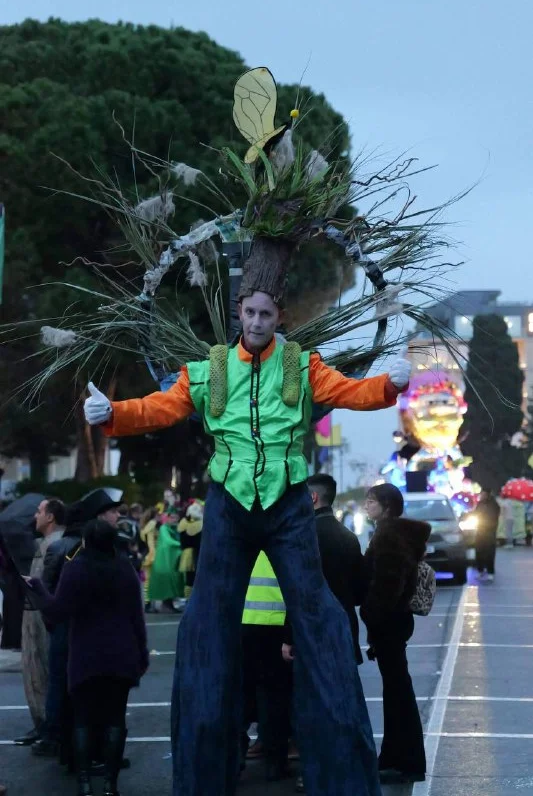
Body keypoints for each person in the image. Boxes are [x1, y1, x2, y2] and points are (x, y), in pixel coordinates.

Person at [84, 283, 410, 795]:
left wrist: (388, 386)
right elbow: (162, 407)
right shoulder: (209, 370)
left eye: (266, 313)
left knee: (320, 616)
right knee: (207, 622)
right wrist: (115, 414)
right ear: (239, 313)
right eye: (250, 312)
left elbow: (349, 391)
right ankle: (203, 775)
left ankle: (341, 773)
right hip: (229, 503)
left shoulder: (302, 366)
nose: (257, 322)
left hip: (287, 501)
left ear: (280, 317)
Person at [27, 519, 149, 796]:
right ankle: (110, 785)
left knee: (83, 720)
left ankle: (84, 784)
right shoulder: (124, 569)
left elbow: (57, 611)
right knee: (116, 720)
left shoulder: (76, 569)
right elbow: (137, 617)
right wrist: (141, 655)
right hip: (121, 652)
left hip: (85, 654)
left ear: (86, 542)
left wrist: (37, 587)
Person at [282, 473, 367, 794]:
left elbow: (297, 591)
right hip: (343, 629)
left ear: (313, 498)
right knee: (343, 702)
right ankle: (347, 767)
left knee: (312, 705)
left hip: (311, 632)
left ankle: (314, 771)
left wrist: (288, 636)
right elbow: (360, 591)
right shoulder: (348, 536)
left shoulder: (304, 536)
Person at [32, 488, 123, 760]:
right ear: (98, 516)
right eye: (112, 511)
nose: (118, 516)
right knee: (68, 686)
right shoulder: (72, 548)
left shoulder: (106, 545)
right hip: (71, 629)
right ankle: (63, 742)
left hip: (87, 630)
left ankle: (75, 747)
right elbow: (50, 590)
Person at [361, 483, 429, 785]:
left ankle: (404, 761)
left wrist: (370, 614)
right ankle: (396, 758)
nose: (366, 505)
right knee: (396, 691)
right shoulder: (392, 532)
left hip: (389, 623)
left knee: (398, 692)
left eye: (371, 501)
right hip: (395, 623)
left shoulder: (388, 535)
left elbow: (388, 585)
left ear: (387, 506)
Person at [16, 499, 65, 747]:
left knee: (42, 670)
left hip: (42, 616)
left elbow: (48, 583)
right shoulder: (45, 543)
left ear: (50, 517)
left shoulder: (54, 544)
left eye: (39, 511)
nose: (35, 516)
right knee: (36, 670)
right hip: (35, 613)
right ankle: (44, 725)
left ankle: (48, 726)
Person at [241, 551, 292, 783]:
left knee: (242, 695)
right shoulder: (282, 548)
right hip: (275, 627)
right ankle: (275, 762)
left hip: (245, 626)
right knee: (274, 699)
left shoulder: (243, 547)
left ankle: (235, 759)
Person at [177, 500, 203, 600]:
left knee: (188, 579)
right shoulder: (200, 524)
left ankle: (188, 599)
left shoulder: (183, 522)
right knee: (195, 578)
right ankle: (193, 599)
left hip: (185, 554)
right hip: (196, 554)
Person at [473, 489, 501, 581]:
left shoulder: (494, 505)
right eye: (481, 494)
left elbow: (494, 517)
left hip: (490, 533)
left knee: (489, 553)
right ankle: (480, 570)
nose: (482, 496)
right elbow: (475, 513)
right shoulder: (480, 504)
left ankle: (490, 572)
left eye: (484, 494)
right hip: (480, 532)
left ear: (488, 495)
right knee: (479, 552)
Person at [140, 508, 159, 611]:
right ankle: (150, 604)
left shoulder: (144, 526)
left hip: (145, 554)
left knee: (147, 580)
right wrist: (153, 554)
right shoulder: (152, 524)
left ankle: (147, 603)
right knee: (152, 580)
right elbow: (151, 541)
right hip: (152, 554)